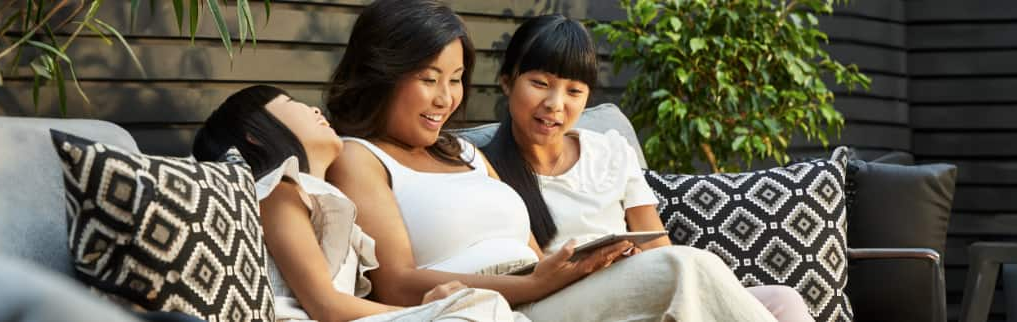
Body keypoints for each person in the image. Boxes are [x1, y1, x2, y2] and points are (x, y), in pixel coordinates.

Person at [324, 1, 780, 321]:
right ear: (382, 72)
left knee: (697, 273)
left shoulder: (464, 152)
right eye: (429, 79)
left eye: (457, 79)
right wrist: (535, 286)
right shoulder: (360, 158)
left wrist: (574, 268)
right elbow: (398, 284)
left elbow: (533, 256)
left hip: (545, 295)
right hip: (502, 308)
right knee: (684, 268)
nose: (446, 99)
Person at [479, 15, 816, 322]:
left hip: (632, 294)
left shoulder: (611, 150)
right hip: (554, 305)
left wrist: (635, 259)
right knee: (686, 265)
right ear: (508, 82)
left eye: (574, 91)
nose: (555, 104)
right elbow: (524, 276)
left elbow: (658, 247)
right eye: (540, 83)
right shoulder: (483, 170)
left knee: (782, 301)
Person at [193, 85, 525, 322]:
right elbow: (327, 306)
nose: (314, 109)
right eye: (292, 103)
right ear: (254, 132)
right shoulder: (278, 193)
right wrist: (426, 310)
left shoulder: (320, 199)